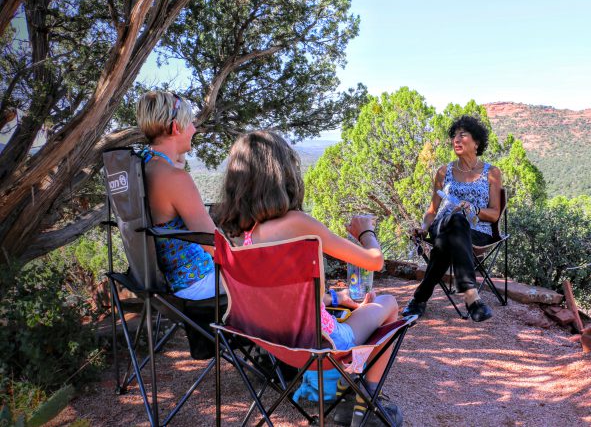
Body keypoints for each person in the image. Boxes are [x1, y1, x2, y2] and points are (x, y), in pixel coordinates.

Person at [216, 130, 402, 427]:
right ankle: (364, 401)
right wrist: (366, 230)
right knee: (389, 303)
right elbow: (375, 261)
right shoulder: (299, 224)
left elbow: (284, 299)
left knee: (365, 307)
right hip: (322, 344)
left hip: (277, 343)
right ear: (284, 174)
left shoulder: (247, 239)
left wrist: (336, 300)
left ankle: (352, 399)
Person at [403, 115, 503, 322]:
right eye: (454, 136)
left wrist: (474, 209)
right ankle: (471, 296)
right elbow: (432, 209)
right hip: (441, 225)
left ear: (476, 143)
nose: (456, 140)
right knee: (455, 220)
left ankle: (419, 299)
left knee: (450, 236)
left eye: (462, 135)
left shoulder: (492, 173)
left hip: (477, 232)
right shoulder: (443, 171)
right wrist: (423, 227)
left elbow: (494, 214)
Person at [136, 90, 218, 300]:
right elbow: (213, 244)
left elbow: (177, 160)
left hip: (171, 279)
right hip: (198, 282)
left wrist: (178, 146)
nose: (194, 129)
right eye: (189, 122)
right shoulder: (175, 179)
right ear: (175, 128)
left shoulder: (144, 164)